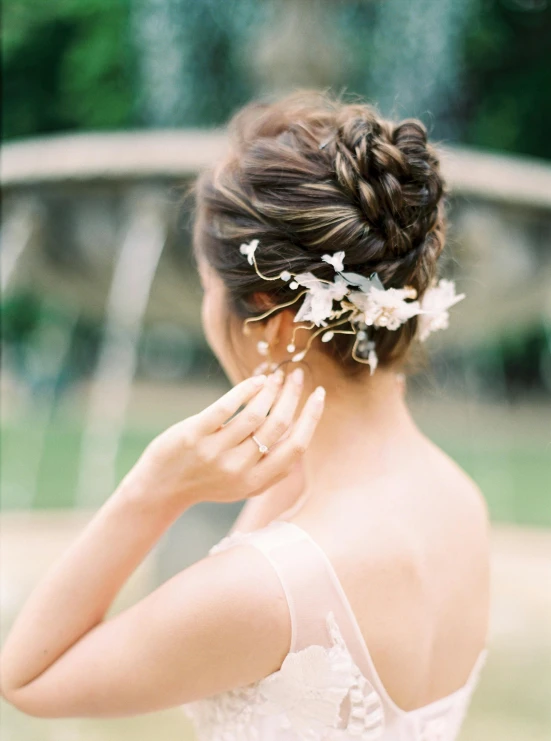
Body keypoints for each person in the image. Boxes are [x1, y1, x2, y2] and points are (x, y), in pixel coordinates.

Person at [0, 90, 491, 740]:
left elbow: (28, 678)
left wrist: (151, 487)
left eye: (209, 289)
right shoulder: (458, 499)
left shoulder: (267, 586)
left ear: (276, 319)